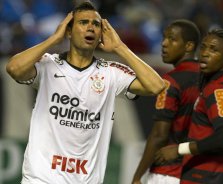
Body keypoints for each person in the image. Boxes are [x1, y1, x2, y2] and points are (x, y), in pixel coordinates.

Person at [6, 1, 165, 184]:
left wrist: (120, 47)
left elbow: (156, 86)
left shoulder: (111, 72)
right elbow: (13, 68)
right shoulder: (48, 65)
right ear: (69, 31)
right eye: (83, 22)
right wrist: (53, 40)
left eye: (96, 24)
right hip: (41, 179)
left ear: (101, 35)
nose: (91, 27)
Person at [154, 28, 223, 184]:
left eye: (213, 50)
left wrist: (179, 149)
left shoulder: (218, 89)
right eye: (203, 47)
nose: (205, 53)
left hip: (206, 177)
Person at [132, 19, 201, 184]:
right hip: (200, 173)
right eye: (164, 38)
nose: (164, 43)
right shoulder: (211, 80)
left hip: (168, 173)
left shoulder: (171, 81)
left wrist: (137, 176)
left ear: (189, 46)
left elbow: (159, 135)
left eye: (172, 39)